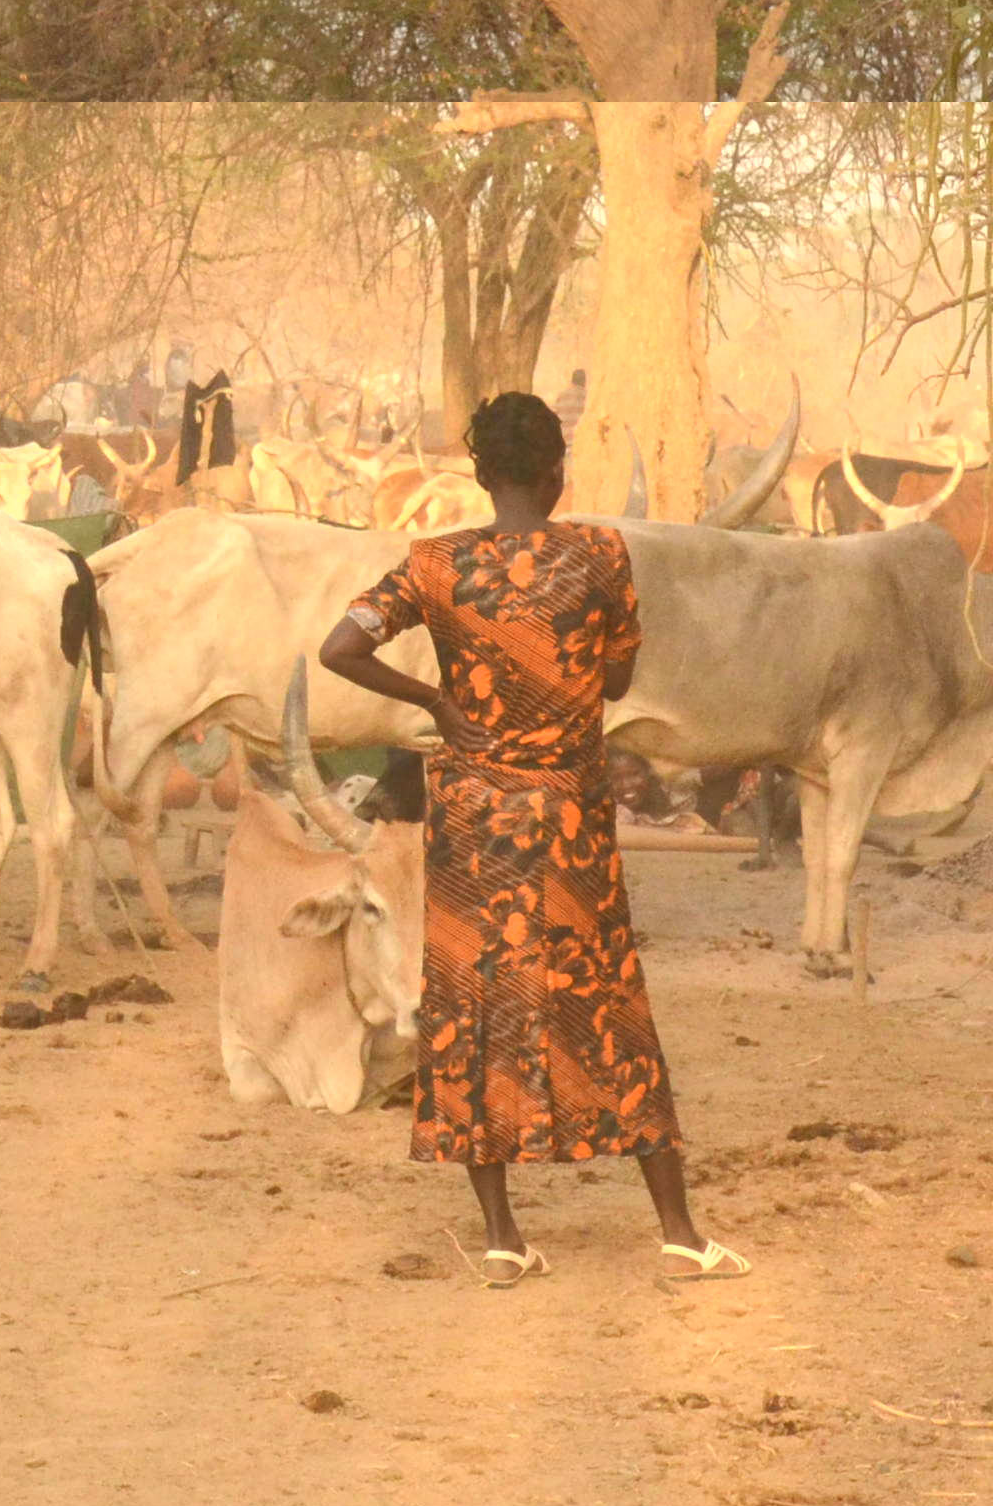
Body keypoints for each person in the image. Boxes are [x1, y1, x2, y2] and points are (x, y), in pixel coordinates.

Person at [315, 390, 744, 1287]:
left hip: (474, 819)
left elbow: (338, 650)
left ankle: (504, 1238)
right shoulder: (597, 555)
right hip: (569, 817)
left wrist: (437, 701)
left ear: (480, 473)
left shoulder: (433, 565)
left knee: (476, 1009)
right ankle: (679, 1232)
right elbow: (619, 676)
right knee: (607, 1001)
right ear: (558, 474)